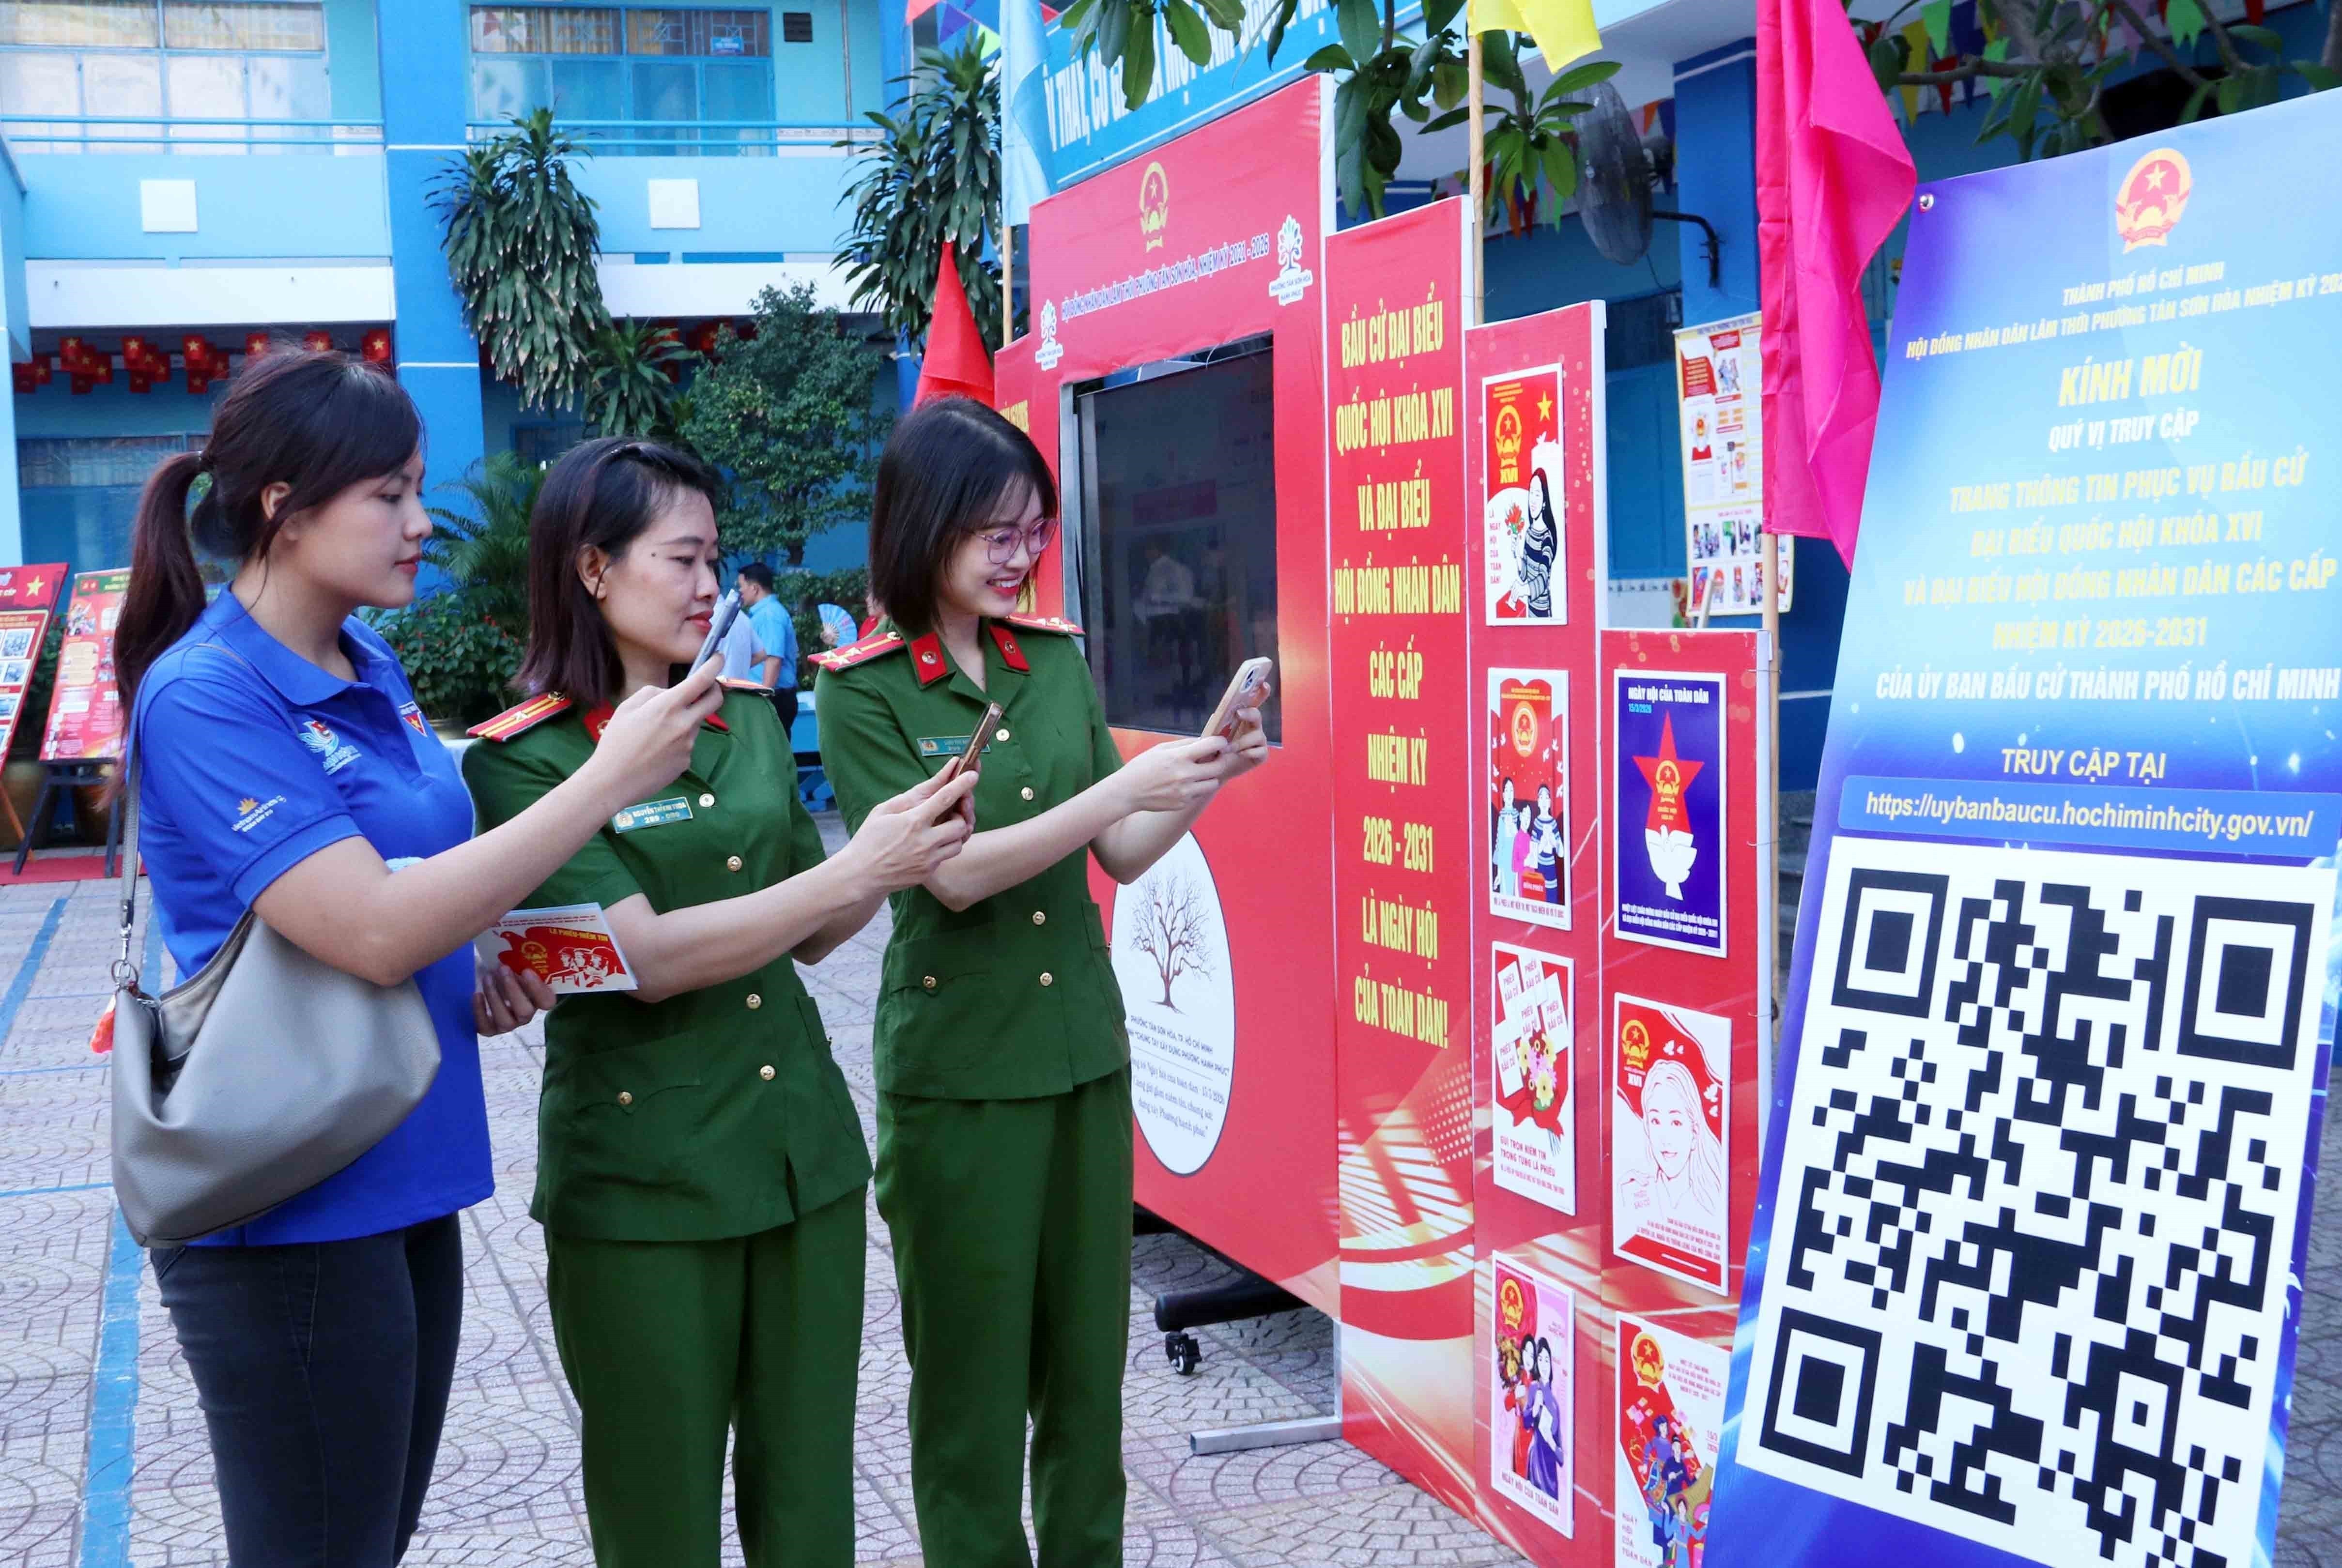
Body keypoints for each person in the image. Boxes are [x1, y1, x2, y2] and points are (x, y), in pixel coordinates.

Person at [116, 350, 720, 1566]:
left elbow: (413, 902)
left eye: (417, 488)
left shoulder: (366, 665)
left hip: (404, 1165)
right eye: (387, 492)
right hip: (288, 1208)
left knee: (365, 1540)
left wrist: (481, 957)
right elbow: (372, 924)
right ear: (283, 504)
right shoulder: (206, 695)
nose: (419, 520)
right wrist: (607, 776)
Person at [461, 438, 976, 1568]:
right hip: (643, 1182)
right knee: (659, 1514)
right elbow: (641, 957)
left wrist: (906, 846)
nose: (709, 586)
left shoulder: (739, 715)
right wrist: (852, 871)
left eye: (713, 558)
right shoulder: (526, 762)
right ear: (592, 568)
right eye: (680, 558)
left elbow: (812, 926)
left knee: (808, 1505)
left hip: (800, 1159)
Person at [816, 398, 1269, 1568]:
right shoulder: (863, 691)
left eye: (1033, 529)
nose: (1019, 555)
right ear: (923, 527)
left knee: (1086, 1383)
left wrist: (1205, 767)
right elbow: (949, 875)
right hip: (960, 1078)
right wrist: (1123, 786)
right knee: (969, 1395)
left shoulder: (1051, 658)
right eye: (993, 531)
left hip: (1079, 1055)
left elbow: (1115, 855)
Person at [1627, 1058, 1726, 1224]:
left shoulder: (1712, 1202)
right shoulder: (1633, 1192)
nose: (1665, 1138)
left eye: (1676, 1123)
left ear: (1695, 1133)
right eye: (1656, 1121)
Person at [736, 561, 801, 733]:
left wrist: (765, 697)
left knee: (773, 756)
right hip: (773, 696)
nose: (739, 593)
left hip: (774, 698)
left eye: (741, 587)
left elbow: (774, 659)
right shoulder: (766, 613)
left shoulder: (769, 615)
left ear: (755, 588)